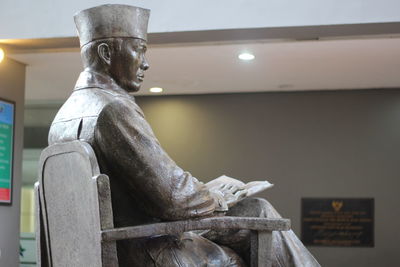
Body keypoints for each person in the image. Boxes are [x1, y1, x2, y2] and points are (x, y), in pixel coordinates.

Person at [48, 4, 320, 266]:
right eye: (139, 51)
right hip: (148, 250)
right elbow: (173, 199)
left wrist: (206, 193)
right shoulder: (112, 109)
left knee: (254, 210)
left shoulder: (62, 119)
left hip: (115, 245)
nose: (146, 64)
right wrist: (218, 196)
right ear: (107, 53)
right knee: (258, 217)